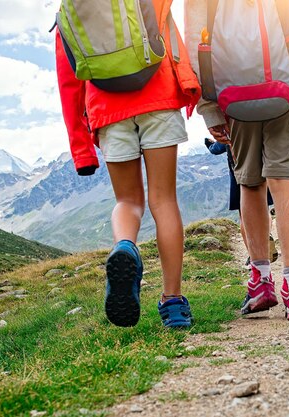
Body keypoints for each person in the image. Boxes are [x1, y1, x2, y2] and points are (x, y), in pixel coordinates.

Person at [186, 0, 289, 320]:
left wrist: (208, 105)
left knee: (249, 183)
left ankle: (261, 283)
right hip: (285, 85)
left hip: (232, 92)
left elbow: (196, 38)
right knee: (284, 180)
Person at [55, 0, 201, 327]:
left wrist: (81, 147)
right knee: (163, 200)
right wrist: (189, 84)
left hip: (106, 110)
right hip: (159, 97)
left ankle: (125, 247)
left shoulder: (71, 7)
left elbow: (68, 80)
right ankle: (173, 304)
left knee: (127, 200)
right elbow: (170, 31)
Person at [205, 137, 278, 267]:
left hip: (238, 171)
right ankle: (266, 235)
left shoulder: (230, 125)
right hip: (261, 163)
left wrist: (209, 144)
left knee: (244, 215)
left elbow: (217, 148)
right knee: (264, 207)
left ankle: (253, 255)